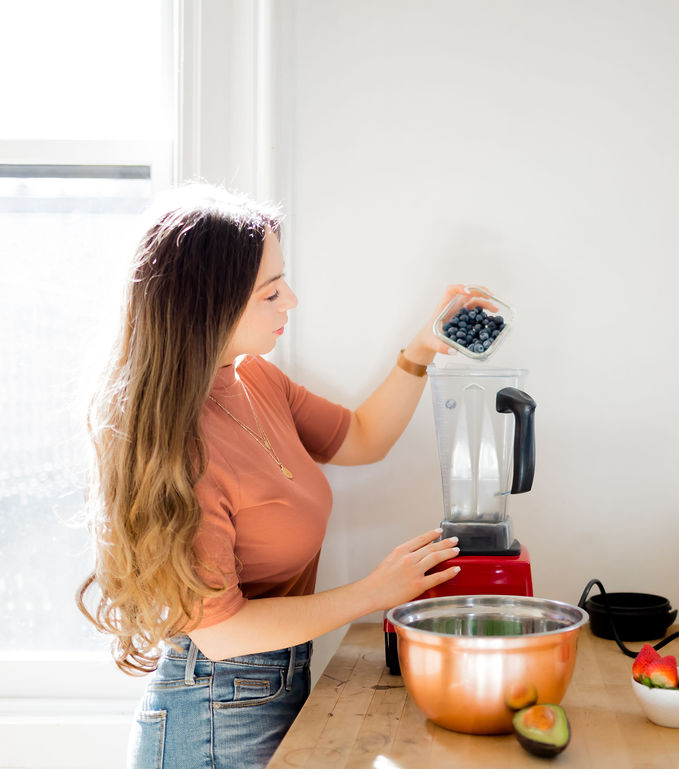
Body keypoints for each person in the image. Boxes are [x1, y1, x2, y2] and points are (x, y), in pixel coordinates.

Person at [76, 184, 463, 769]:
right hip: (212, 710)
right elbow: (222, 634)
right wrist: (374, 592)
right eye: (271, 292)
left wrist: (422, 350)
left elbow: (362, 438)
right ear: (212, 304)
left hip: (268, 690)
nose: (293, 302)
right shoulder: (177, 447)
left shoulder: (254, 378)